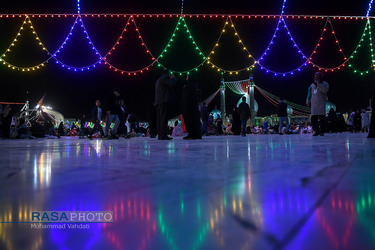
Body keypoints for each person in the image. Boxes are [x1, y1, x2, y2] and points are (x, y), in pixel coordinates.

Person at [154, 69, 177, 140]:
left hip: (158, 102)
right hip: (163, 101)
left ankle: (161, 135)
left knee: (160, 119)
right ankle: (163, 135)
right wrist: (174, 78)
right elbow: (172, 84)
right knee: (163, 119)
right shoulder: (164, 78)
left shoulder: (159, 80)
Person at [306, 72, 329, 136]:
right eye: (315, 76)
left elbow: (325, 90)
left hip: (321, 103)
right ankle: (316, 131)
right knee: (314, 119)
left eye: (317, 76)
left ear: (320, 77)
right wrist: (308, 101)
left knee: (322, 118)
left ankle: (322, 131)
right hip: (314, 103)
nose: (315, 78)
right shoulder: (312, 85)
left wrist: (318, 84)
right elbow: (309, 94)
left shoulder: (324, 83)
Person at [181, 75, 202, 139]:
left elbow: (186, 98)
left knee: (189, 120)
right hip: (194, 108)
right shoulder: (196, 88)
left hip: (189, 108)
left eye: (187, 77)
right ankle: (196, 134)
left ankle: (192, 134)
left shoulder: (188, 87)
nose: (186, 79)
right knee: (195, 120)